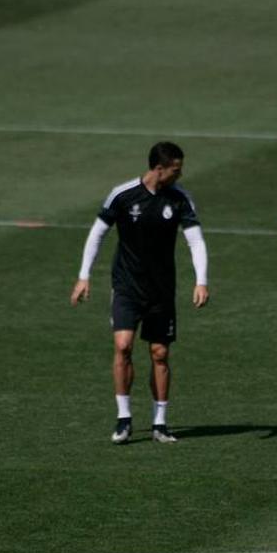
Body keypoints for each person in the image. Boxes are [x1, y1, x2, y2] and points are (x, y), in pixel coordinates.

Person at [70, 141, 209, 445]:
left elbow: (195, 241)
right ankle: (124, 419)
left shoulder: (180, 198)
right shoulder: (123, 194)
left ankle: (160, 423)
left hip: (161, 290)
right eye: (176, 169)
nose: (180, 174)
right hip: (127, 286)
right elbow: (98, 233)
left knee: (159, 353)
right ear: (159, 169)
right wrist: (84, 276)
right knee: (123, 346)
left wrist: (201, 280)